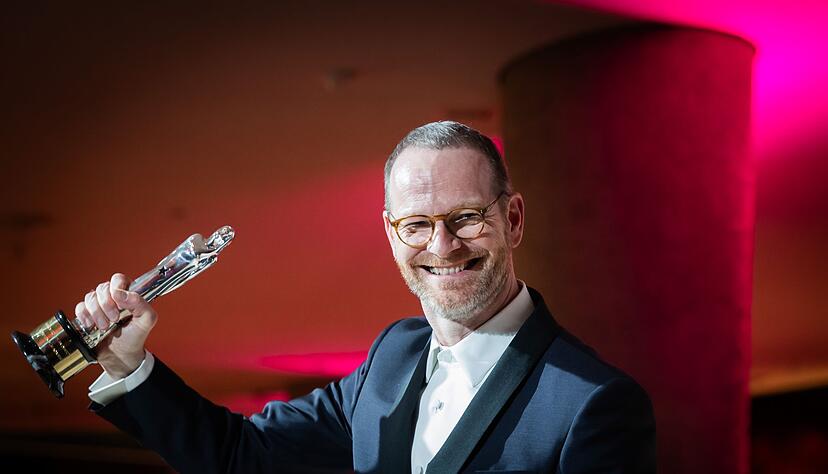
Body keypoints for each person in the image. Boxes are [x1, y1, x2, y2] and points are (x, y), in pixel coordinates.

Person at [76, 121, 656, 473]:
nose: (443, 245)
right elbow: (241, 456)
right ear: (390, 233)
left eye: (467, 218)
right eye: (416, 225)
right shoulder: (392, 356)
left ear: (513, 218)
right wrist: (130, 365)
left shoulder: (594, 404)